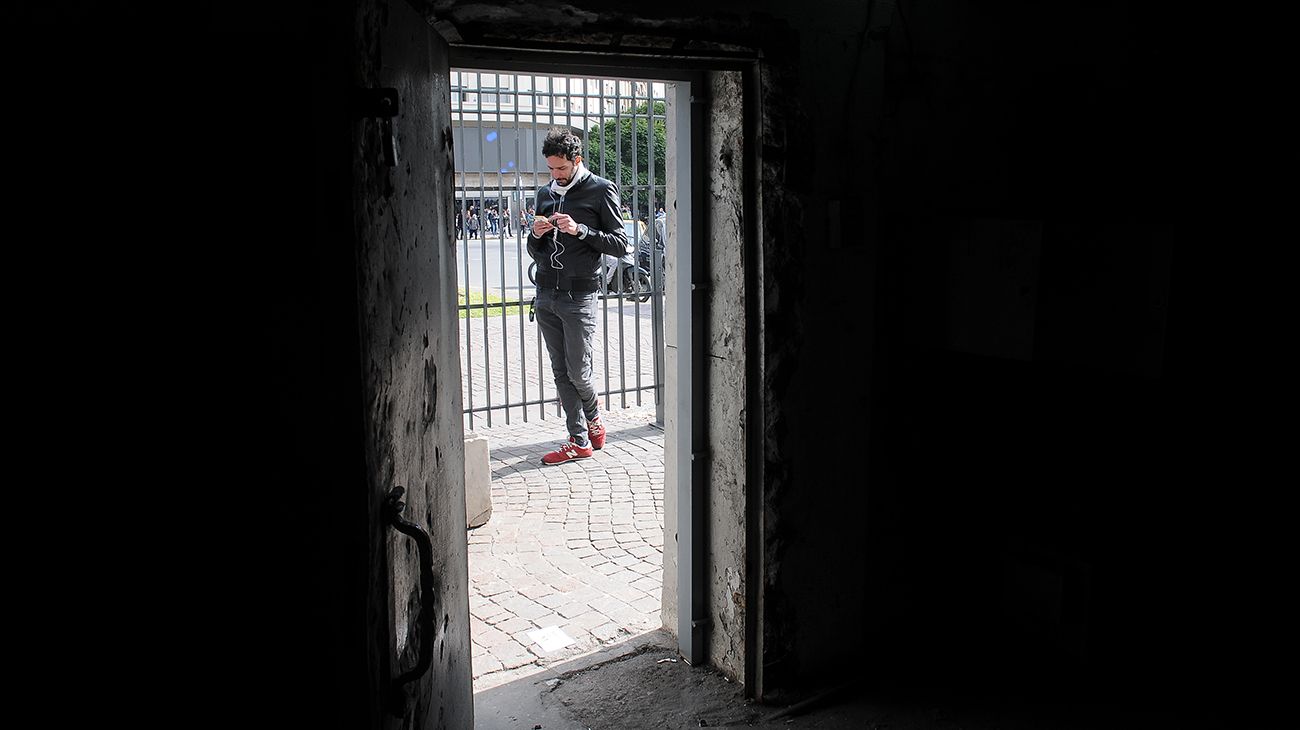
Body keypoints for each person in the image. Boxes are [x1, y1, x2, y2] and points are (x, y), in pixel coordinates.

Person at [527, 129, 631, 464]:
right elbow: (534, 250)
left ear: (577, 160)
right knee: (560, 371)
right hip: (546, 292)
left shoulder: (600, 190)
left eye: (560, 169)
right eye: (550, 169)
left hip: (579, 295)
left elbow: (620, 244)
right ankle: (578, 438)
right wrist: (535, 234)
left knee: (579, 373)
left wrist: (580, 230)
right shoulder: (545, 193)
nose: (555, 175)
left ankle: (594, 417)